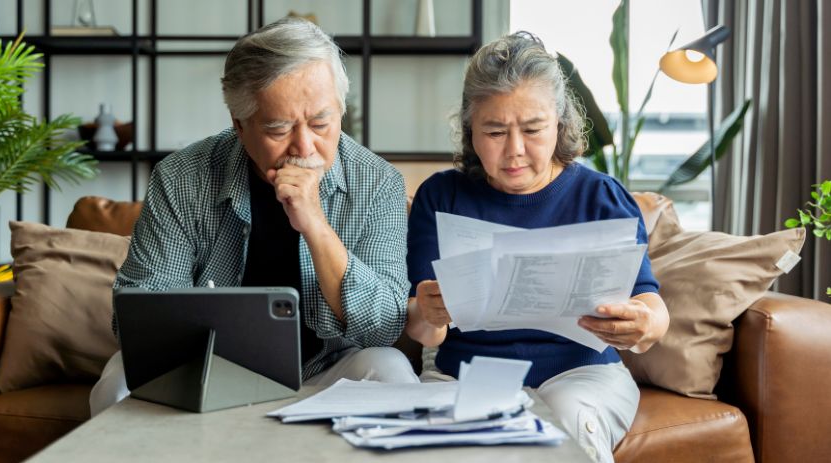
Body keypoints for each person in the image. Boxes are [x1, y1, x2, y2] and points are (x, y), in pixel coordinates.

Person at [90, 17, 418, 416]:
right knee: (118, 382)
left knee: (391, 370)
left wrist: (314, 223)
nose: (304, 146)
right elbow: (139, 319)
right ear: (239, 126)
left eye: (320, 123)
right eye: (279, 129)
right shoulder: (181, 178)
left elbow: (384, 326)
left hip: (330, 371)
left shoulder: (378, 182)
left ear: (340, 109)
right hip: (206, 368)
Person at [405, 32, 669, 463]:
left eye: (532, 130)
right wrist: (428, 311)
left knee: (565, 421)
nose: (515, 151)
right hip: (464, 373)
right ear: (470, 130)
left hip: (582, 371)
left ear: (560, 123)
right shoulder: (442, 196)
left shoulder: (601, 196)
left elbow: (650, 303)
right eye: (494, 131)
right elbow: (422, 329)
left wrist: (644, 324)